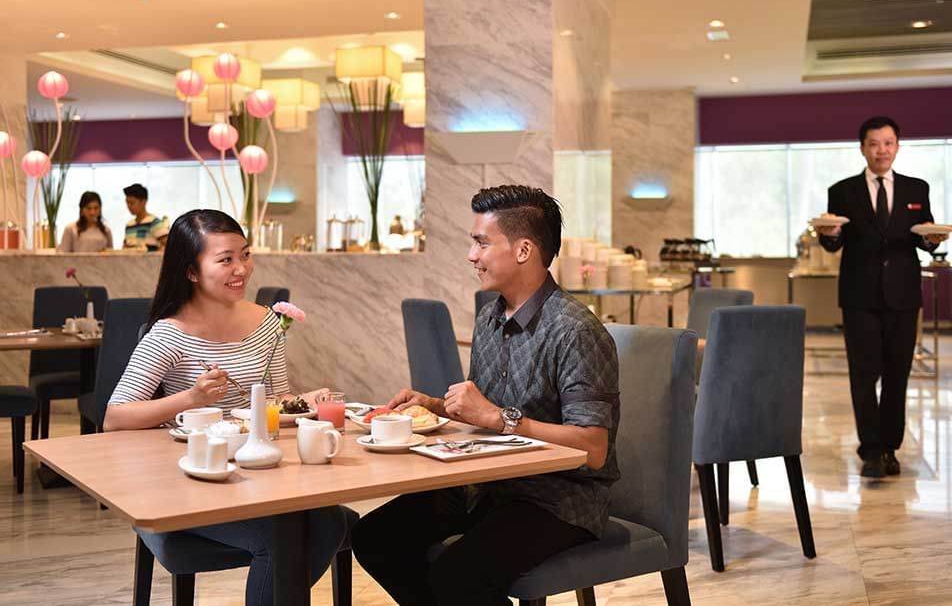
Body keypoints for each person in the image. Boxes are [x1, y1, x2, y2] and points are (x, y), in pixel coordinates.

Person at [352, 185, 620, 606]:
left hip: (559, 499)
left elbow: (593, 448)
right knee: (373, 537)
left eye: (481, 242)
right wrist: (436, 406)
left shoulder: (576, 331)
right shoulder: (490, 317)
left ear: (523, 250)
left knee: (459, 577)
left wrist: (498, 418)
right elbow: (487, 414)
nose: (470, 255)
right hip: (490, 482)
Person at [103, 209, 349, 605]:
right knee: (281, 539)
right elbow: (115, 417)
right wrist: (191, 398)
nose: (242, 269)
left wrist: (304, 401)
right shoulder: (170, 334)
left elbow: (272, 401)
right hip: (196, 483)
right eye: (225, 259)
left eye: (245, 254)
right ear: (191, 272)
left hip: (259, 479)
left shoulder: (267, 323)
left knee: (329, 521)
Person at [816, 116, 949, 478]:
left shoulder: (916, 189)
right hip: (859, 297)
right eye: (874, 144)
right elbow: (833, 241)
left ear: (897, 147)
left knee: (897, 375)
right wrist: (827, 235)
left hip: (904, 296)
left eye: (888, 143)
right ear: (862, 148)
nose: (881, 150)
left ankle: (890, 448)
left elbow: (923, 236)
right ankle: (870, 450)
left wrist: (931, 240)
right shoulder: (842, 190)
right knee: (863, 375)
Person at [122, 183, 169, 250]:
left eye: (132, 203)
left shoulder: (154, 222)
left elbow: (170, 245)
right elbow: (124, 247)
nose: (129, 206)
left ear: (143, 202)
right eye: (127, 203)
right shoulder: (129, 225)